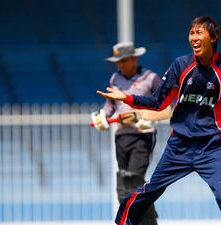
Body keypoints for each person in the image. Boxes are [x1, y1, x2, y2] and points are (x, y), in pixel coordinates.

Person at [97, 16, 221, 225]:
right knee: (150, 190)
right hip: (179, 145)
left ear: (214, 37)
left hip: (213, 146)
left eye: (200, 32)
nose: (194, 37)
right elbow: (158, 102)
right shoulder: (180, 65)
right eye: (192, 33)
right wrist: (127, 98)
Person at [91, 42, 171, 225]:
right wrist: (103, 116)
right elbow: (111, 106)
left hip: (142, 136)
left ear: (134, 58)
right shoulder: (115, 79)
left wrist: (141, 115)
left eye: (124, 61)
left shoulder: (151, 78)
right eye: (117, 61)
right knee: (125, 187)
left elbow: (166, 108)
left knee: (132, 180)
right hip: (121, 136)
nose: (120, 65)